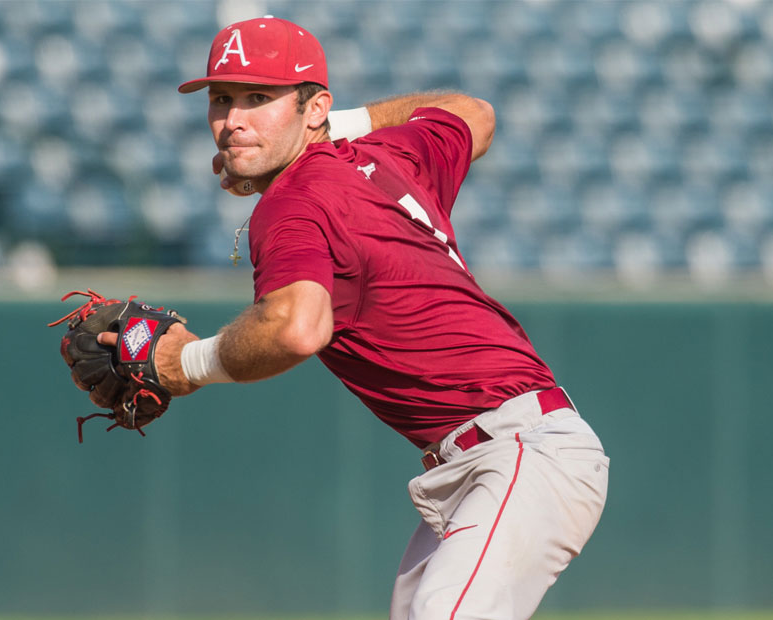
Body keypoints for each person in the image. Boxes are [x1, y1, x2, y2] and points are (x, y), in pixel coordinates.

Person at [102, 15, 608, 620]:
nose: (232, 120)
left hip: (519, 452)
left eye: (259, 99)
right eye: (222, 99)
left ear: (315, 107)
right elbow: (473, 112)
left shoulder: (294, 202)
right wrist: (324, 127)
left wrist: (186, 363)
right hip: (497, 455)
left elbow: (297, 327)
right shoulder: (389, 151)